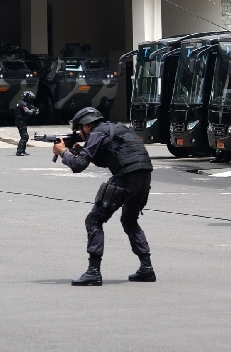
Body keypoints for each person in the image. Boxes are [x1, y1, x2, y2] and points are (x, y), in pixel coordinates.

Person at [52, 107, 155, 286]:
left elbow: (77, 166)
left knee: (94, 220)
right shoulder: (118, 129)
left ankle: (93, 272)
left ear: (88, 125)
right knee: (130, 221)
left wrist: (63, 153)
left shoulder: (96, 134)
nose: (79, 133)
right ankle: (146, 268)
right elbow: (107, 159)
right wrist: (81, 151)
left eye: (80, 128)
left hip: (126, 177)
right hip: (144, 176)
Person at [14, 90, 38, 156]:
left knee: (25, 136)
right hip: (20, 121)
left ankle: (23, 151)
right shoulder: (23, 104)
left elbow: (29, 107)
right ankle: (19, 151)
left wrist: (33, 109)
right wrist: (33, 110)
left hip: (22, 121)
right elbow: (28, 112)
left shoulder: (21, 103)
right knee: (24, 136)